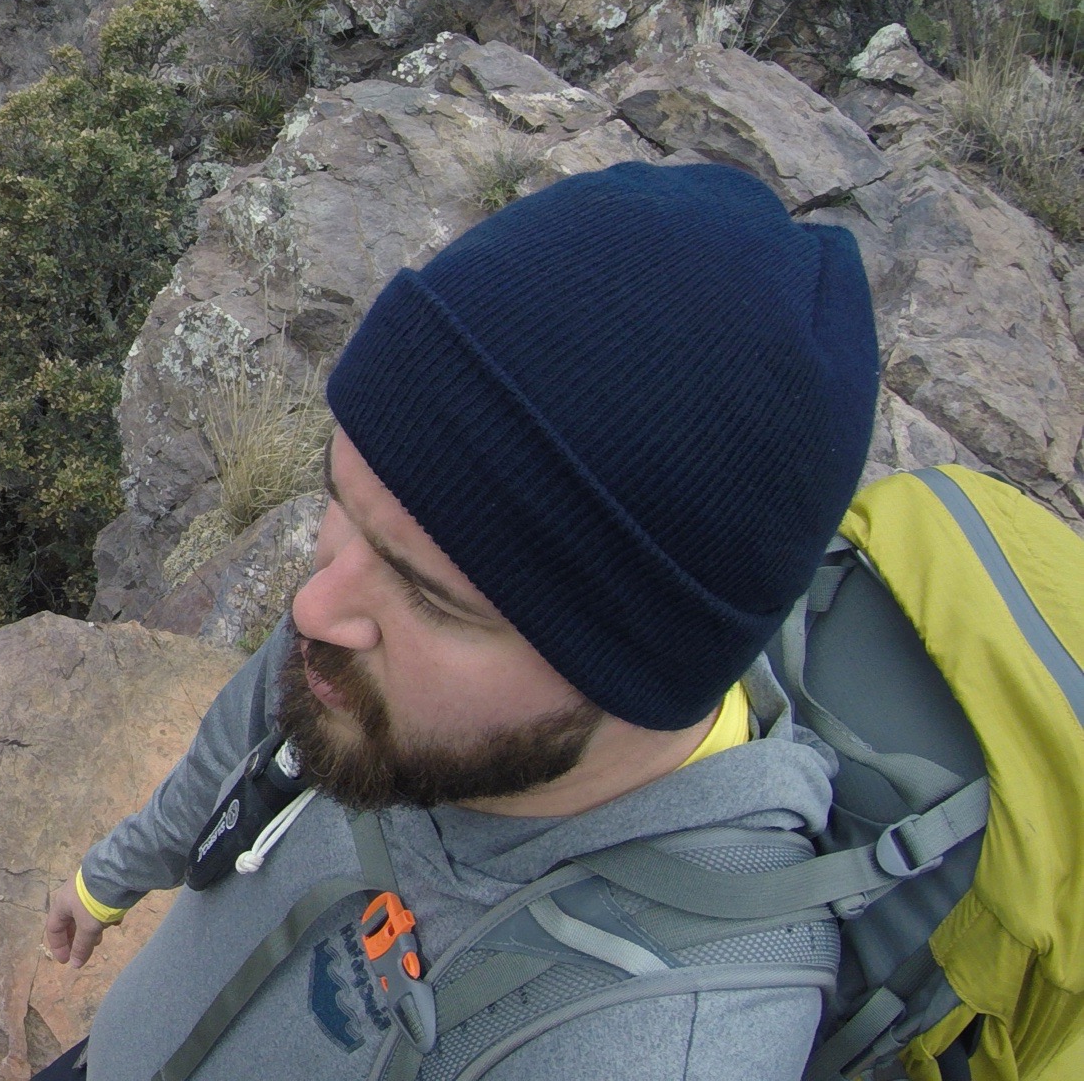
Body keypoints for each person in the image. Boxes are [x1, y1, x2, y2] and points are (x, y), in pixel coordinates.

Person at [45, 160, 879, 1080]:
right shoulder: (362, 642)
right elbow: (236, 746)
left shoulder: (658, 1041)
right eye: (338, 500)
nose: (312, 607)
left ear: (637, 672)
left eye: (433, 598)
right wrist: (111, 877)